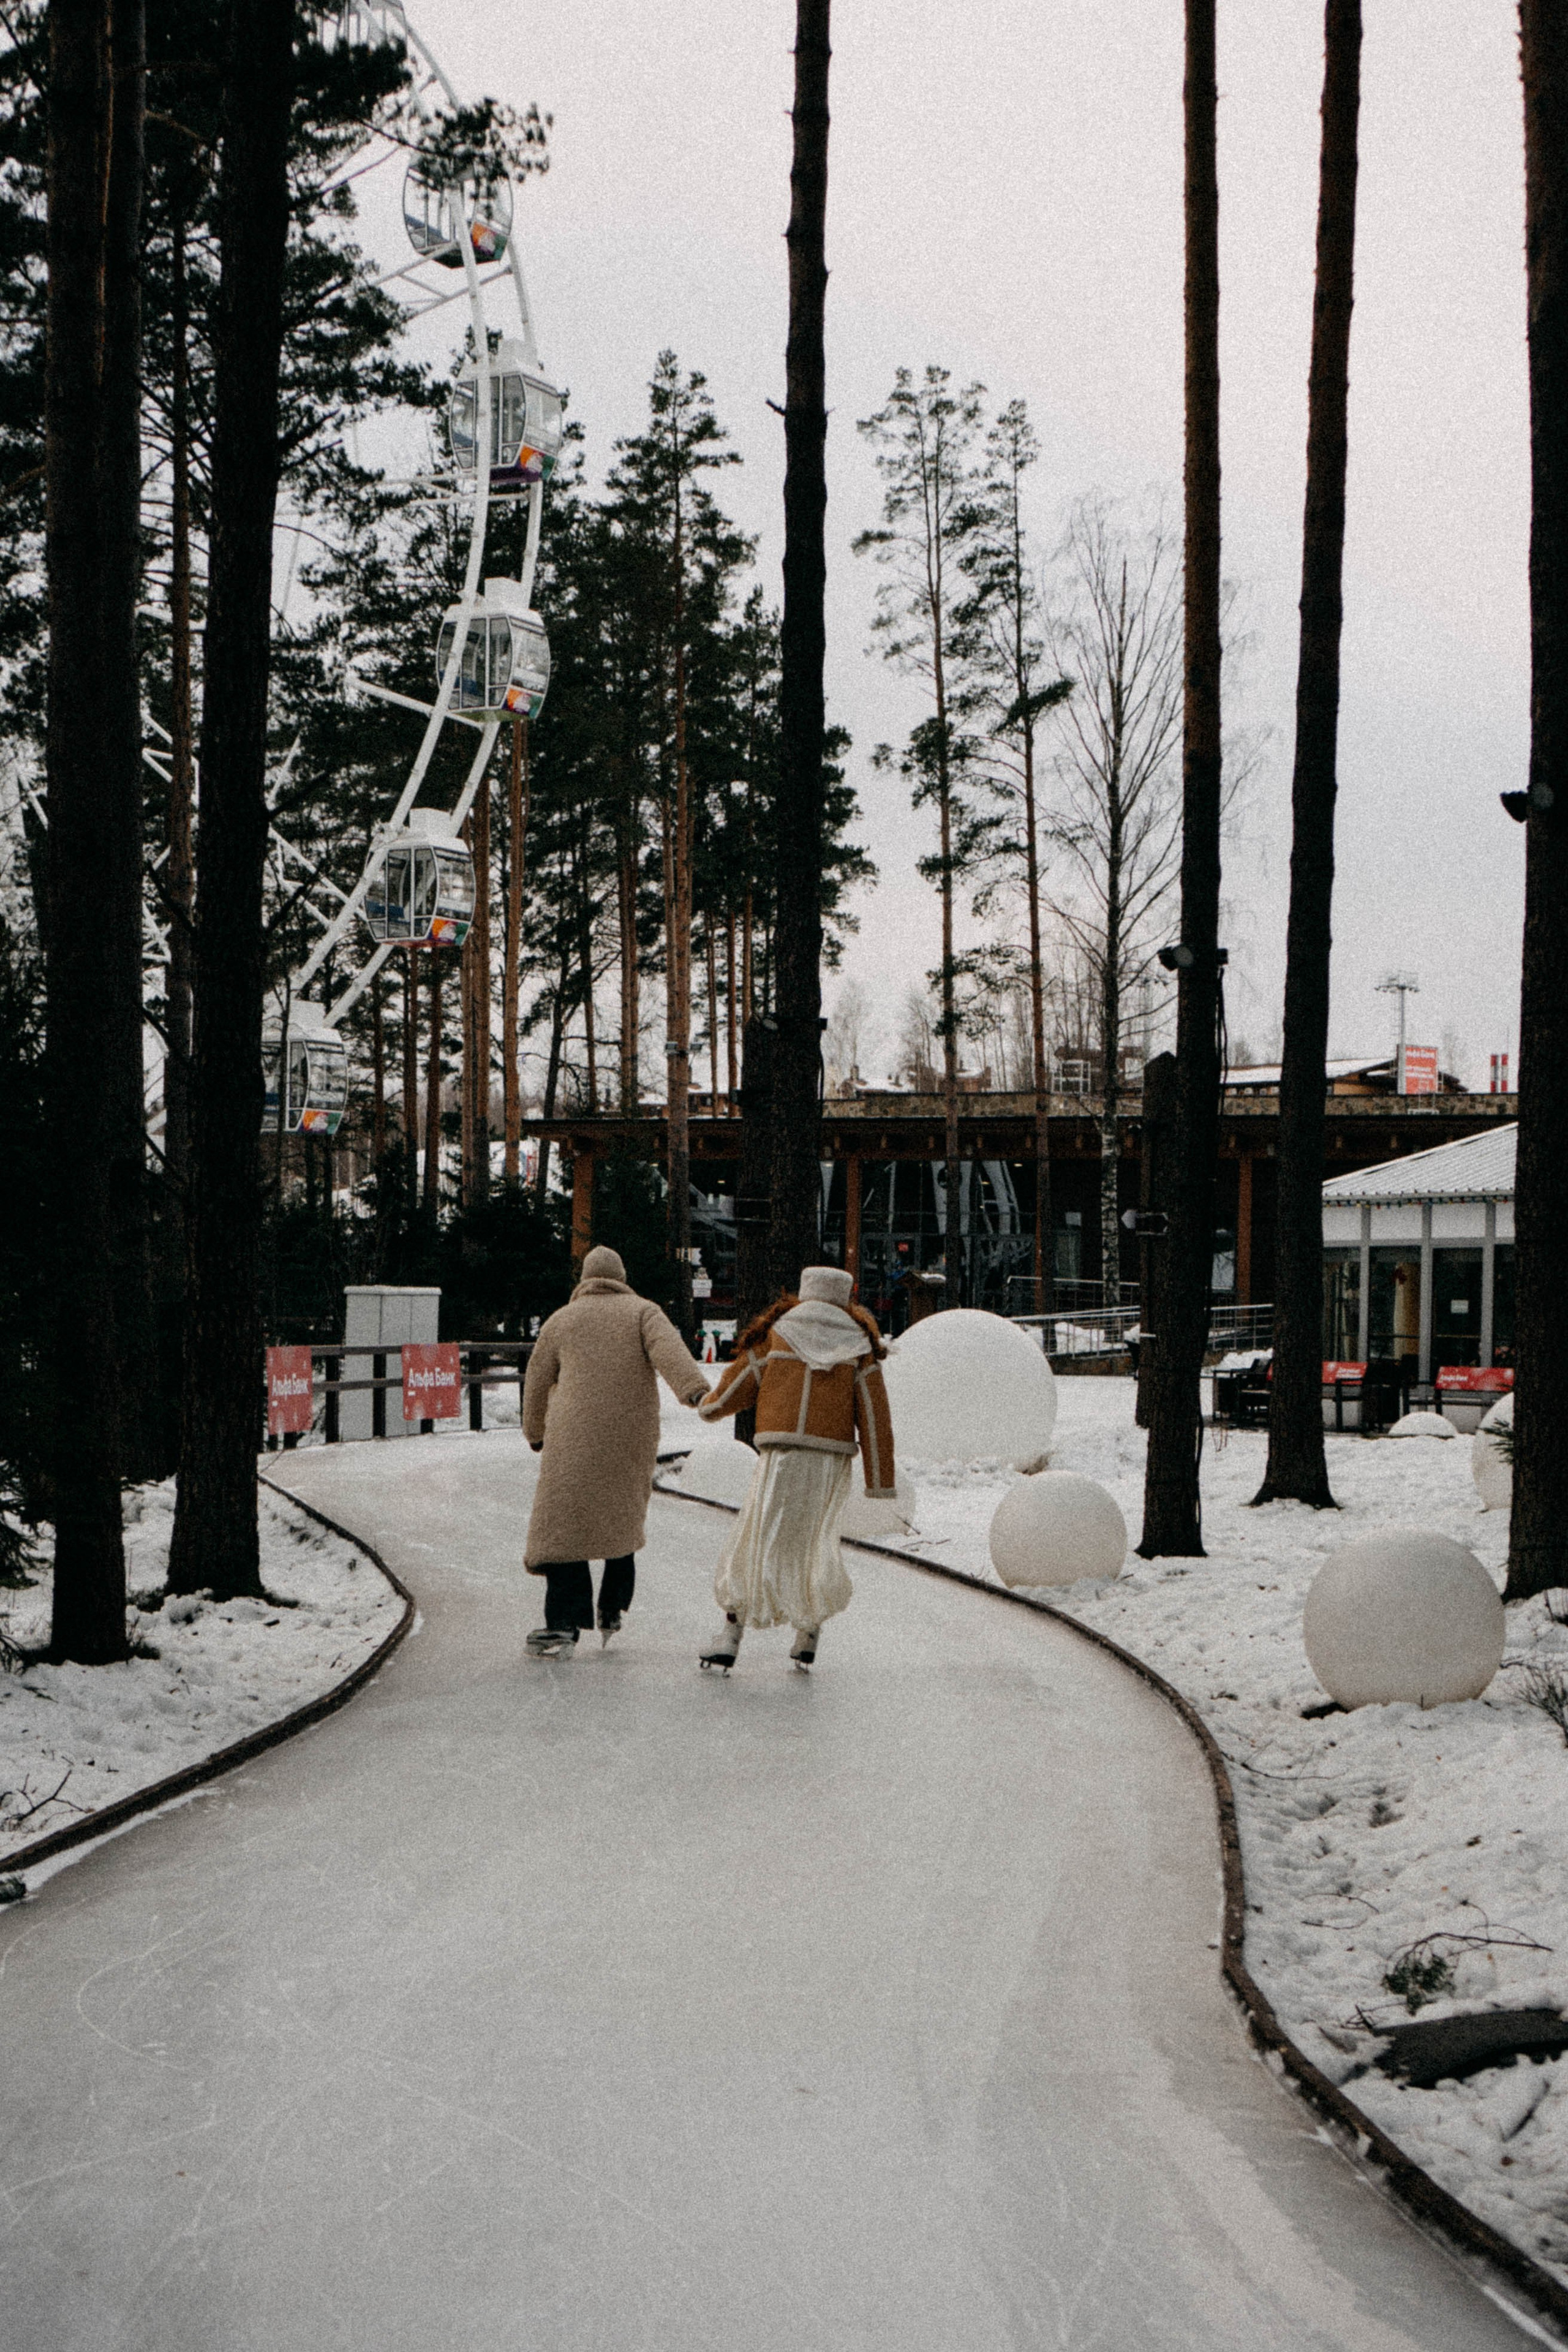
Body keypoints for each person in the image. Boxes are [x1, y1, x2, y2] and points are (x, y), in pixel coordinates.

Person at [693, 1265, 895, 1673]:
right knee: (815, 1543)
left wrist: (709, 1407)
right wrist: (881, 1481)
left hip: (780, 1455)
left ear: (804, 1293)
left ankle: (731, 1635)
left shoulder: (777, 1334)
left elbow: (734, 1388)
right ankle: (808, 1633)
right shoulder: (859, 1346)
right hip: (829, 1462)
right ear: (846, 1298)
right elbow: (875, 1417)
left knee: (754, 1538)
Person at [521, 1244, 710, 1657]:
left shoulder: (561, 1321)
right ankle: (611, 1607)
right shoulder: (644, 1312)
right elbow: (670, 1352)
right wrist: (694, 1391)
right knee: (621, 1516)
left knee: (564, 1525)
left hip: (572, 1433)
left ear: (585, 1280)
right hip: (632, 1433)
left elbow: (536, 1381)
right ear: (621, 1278)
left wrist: (535, 1432)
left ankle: (563, 1625)